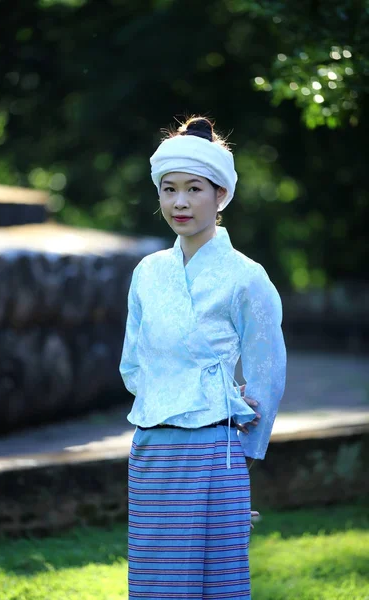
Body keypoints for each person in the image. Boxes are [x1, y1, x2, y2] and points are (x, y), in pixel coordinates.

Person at [119, 116, 287, 600]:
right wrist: (168, 400)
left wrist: (245, 448)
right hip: (152, 444)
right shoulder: (148, 272)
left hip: (216, 449)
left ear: (221, 195)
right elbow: (133, 363)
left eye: (194, 189)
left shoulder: (246, 276)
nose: (179, 202)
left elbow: (267, 372)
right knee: (155, 579)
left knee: (216, 578)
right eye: (168, 189)